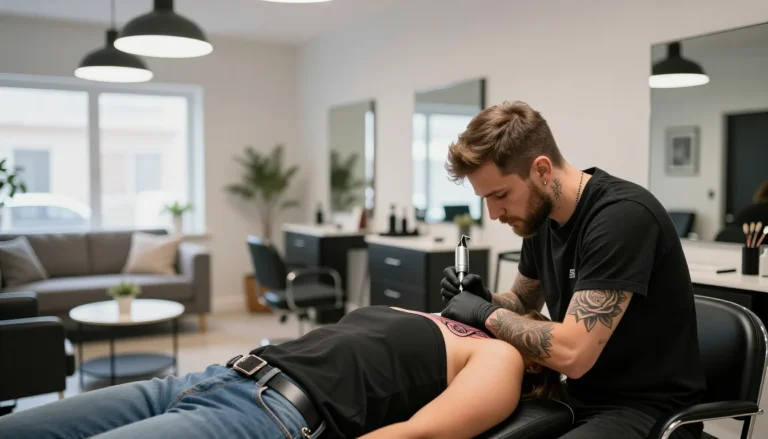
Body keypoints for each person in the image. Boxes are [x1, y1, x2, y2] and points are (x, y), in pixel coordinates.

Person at [439, 100, 706, 439]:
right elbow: (523, 301)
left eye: (501, 194)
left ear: (542, 170)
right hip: (578, 397)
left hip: (651, 411)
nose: (493, 213)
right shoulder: (541, 220)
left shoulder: (621, 217)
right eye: (486, 199)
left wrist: (484, 313)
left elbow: (574, 354)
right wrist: (485, 297)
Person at [0, 305, 563, 439]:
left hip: (266, 413)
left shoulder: (504, 360)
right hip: (207, 378)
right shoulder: (438, 318)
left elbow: (419, 434)